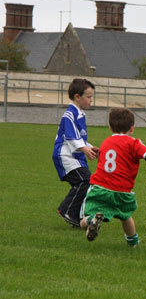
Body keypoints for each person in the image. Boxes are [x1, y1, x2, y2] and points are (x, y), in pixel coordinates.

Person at [80, 108, 146, 247]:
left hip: (99, 188)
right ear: (132, 128)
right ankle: (133, 241)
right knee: (125, 216)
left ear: (110, 127)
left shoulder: (106, 142)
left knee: (84, 219)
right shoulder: (133, 143)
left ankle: (91, 221)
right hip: (122, 191)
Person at [52, 78, 98, 227]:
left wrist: (90, 147)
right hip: (65, 156)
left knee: (87, 182)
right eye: (89, 97)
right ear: (78, 97)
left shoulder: (80, 114)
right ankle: (68, 211)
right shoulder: (69, 115)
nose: (91, 100)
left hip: (74, 156)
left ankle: (75, 216)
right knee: (85, 181)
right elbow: (71, 137)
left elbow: (79, 138)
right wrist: (85, 149)